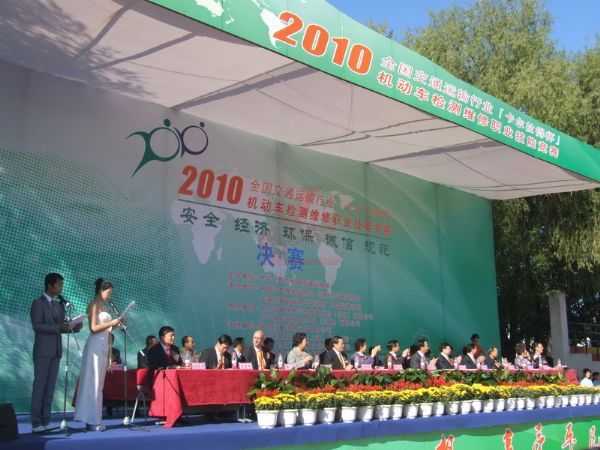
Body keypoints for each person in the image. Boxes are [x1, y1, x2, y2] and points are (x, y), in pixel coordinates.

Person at [30, 273, 83, 433]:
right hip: (43, 350)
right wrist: (59, 327)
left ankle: (46, 420)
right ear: (50, 285)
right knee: (40, 386)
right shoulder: (38, 303)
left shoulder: (59, 305)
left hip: (56, 350)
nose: (61, 288)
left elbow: (61, 327)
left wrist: (74, 326)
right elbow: (37, 326)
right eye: (59, 285)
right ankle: (36, 422)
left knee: (50, 387)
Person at [74, 279, 122, 431]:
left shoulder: (105, 306)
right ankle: (92, 420)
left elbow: (106, 329)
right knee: (93, 382)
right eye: (108, 292)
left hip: (103, 344)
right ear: (101, 290)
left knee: (99, 384)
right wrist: (111, 323)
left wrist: (116, 324)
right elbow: (93, 328)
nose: (110, 295)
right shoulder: (93, 304)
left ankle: (95, 418)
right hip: (95, 345)